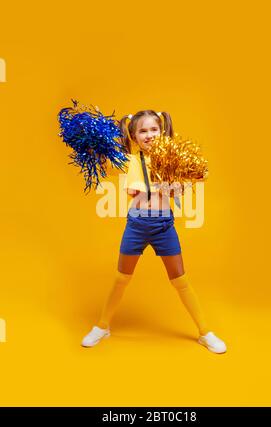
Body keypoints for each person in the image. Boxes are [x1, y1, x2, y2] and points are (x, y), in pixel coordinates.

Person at [81, 110, 227, 354]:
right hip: (136, 225)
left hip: (163, 226)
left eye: (153, 129)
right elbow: (100, 158)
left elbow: (202, 173)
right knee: (121, 278)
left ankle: (204, 332)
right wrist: (88, 138)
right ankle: (102, 326)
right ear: (134, 136)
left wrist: (180, 180)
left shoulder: (172, 158)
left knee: (180, 279)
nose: (149, 135)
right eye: (143, 131)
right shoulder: (128, 161)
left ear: (162, 131)